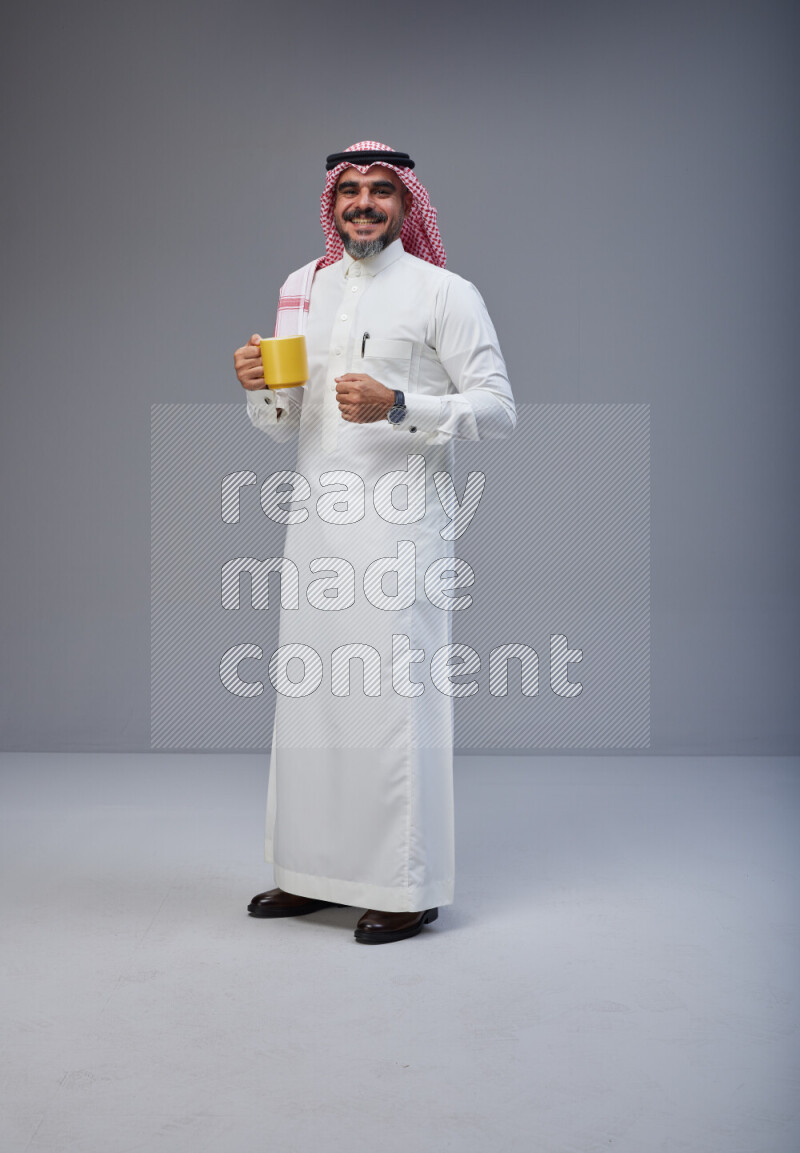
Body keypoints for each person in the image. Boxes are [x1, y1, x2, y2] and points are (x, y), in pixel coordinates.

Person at [234, 141, 516, 944]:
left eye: (381, 190)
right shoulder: (302, 287)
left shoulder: (443, 292)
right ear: (332, 204)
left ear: (405, 204)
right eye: (350, 190)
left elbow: (498, 409)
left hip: (401, 532)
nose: (362, 202)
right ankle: (306, 873)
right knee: (313, 702)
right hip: (315, 527)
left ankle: (404, 886)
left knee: (393, 702)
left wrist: (400, 404)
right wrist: (259, 390)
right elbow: (286, 422)